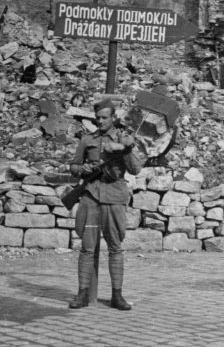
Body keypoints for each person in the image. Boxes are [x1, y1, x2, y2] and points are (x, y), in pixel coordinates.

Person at [68, 98, 142, 310]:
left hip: (114, 197)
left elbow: (135, 169)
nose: (100, 121)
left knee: (115, 248)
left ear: (113, 118)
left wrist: (124, 150)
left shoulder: (123, 139)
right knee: (87, 248)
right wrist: (82, 170)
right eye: (98, 118)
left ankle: (117, 296)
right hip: (91, 197)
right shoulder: (87, 140)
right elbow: (73, 166)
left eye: (104, 118)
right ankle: (82, 294)